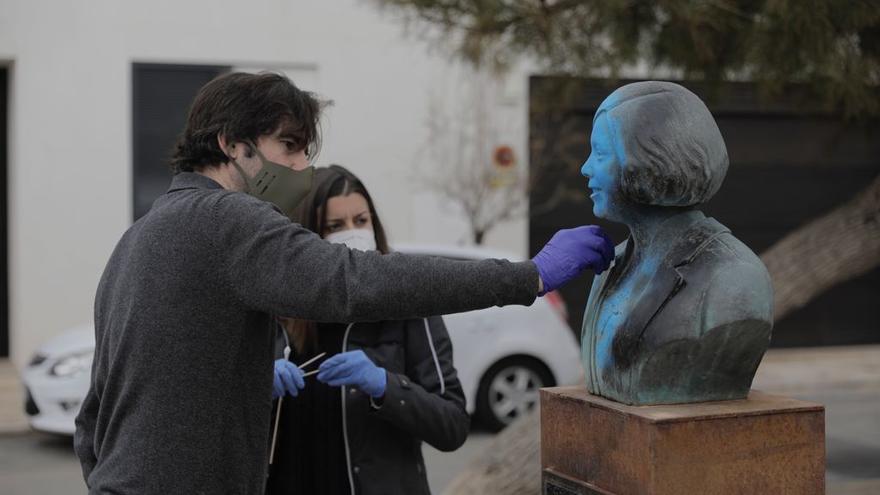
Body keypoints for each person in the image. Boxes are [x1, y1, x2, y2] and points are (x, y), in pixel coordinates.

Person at [73, 71, 616, 494]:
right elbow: (355, 281)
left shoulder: (134, 241)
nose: (304, 168)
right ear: (233, 146)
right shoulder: (229, 220)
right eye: (289, 146)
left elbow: (93, 419)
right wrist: (530, 275)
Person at [266, 165, 468, 495]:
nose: (353, 233)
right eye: (335, 226)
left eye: (361, 221)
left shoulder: (408, 303)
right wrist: (258, 389)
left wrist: (385, 387)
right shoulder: (276, 308)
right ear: (308, 235)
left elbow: (452, 426)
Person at [579, 81, 773, 406]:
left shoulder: (734, 278)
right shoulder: (611, 264)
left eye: (600, 154)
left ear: (651, 163)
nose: (585, 168)